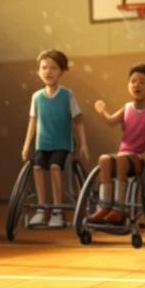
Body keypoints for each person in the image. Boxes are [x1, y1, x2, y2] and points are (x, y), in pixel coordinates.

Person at [91, 64, 145, 226]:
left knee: (122, 159)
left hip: (142, 160)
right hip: (124, 157)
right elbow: (111, 122)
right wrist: (102, 111)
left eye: (142, 82)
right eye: (133, 81)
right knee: (104, 159)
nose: (136, 85)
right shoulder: (127, 108)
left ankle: (120, 209)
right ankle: (104, 206)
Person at [21, 49, 89, 229]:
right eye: (44, 68)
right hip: (43, 144)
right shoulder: (37, 97)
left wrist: (83, 144)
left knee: (54, 167)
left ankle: (58, 209)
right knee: (37, 167)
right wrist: (27, 145)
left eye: (53, 68)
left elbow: (79, 120)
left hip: (62, 144)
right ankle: (42, 208)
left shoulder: (67, 95)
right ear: (38, 71)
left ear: (62, 71)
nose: (48, 72)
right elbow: (33, 121)